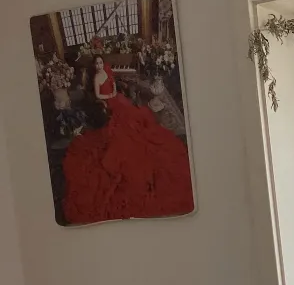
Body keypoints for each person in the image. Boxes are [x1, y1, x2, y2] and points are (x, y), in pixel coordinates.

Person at [61, 55, 194, 224]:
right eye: (97, 63)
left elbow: (113, 86)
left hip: (116, 98)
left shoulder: (107, 71)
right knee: (124, 123)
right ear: (95, 65)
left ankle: (134, 127)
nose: (100, 65)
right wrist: (110, 97)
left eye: (101, 62)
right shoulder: (96, 78)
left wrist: (114, 93)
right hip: (108, 102)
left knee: (132, 113)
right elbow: (99, 95)